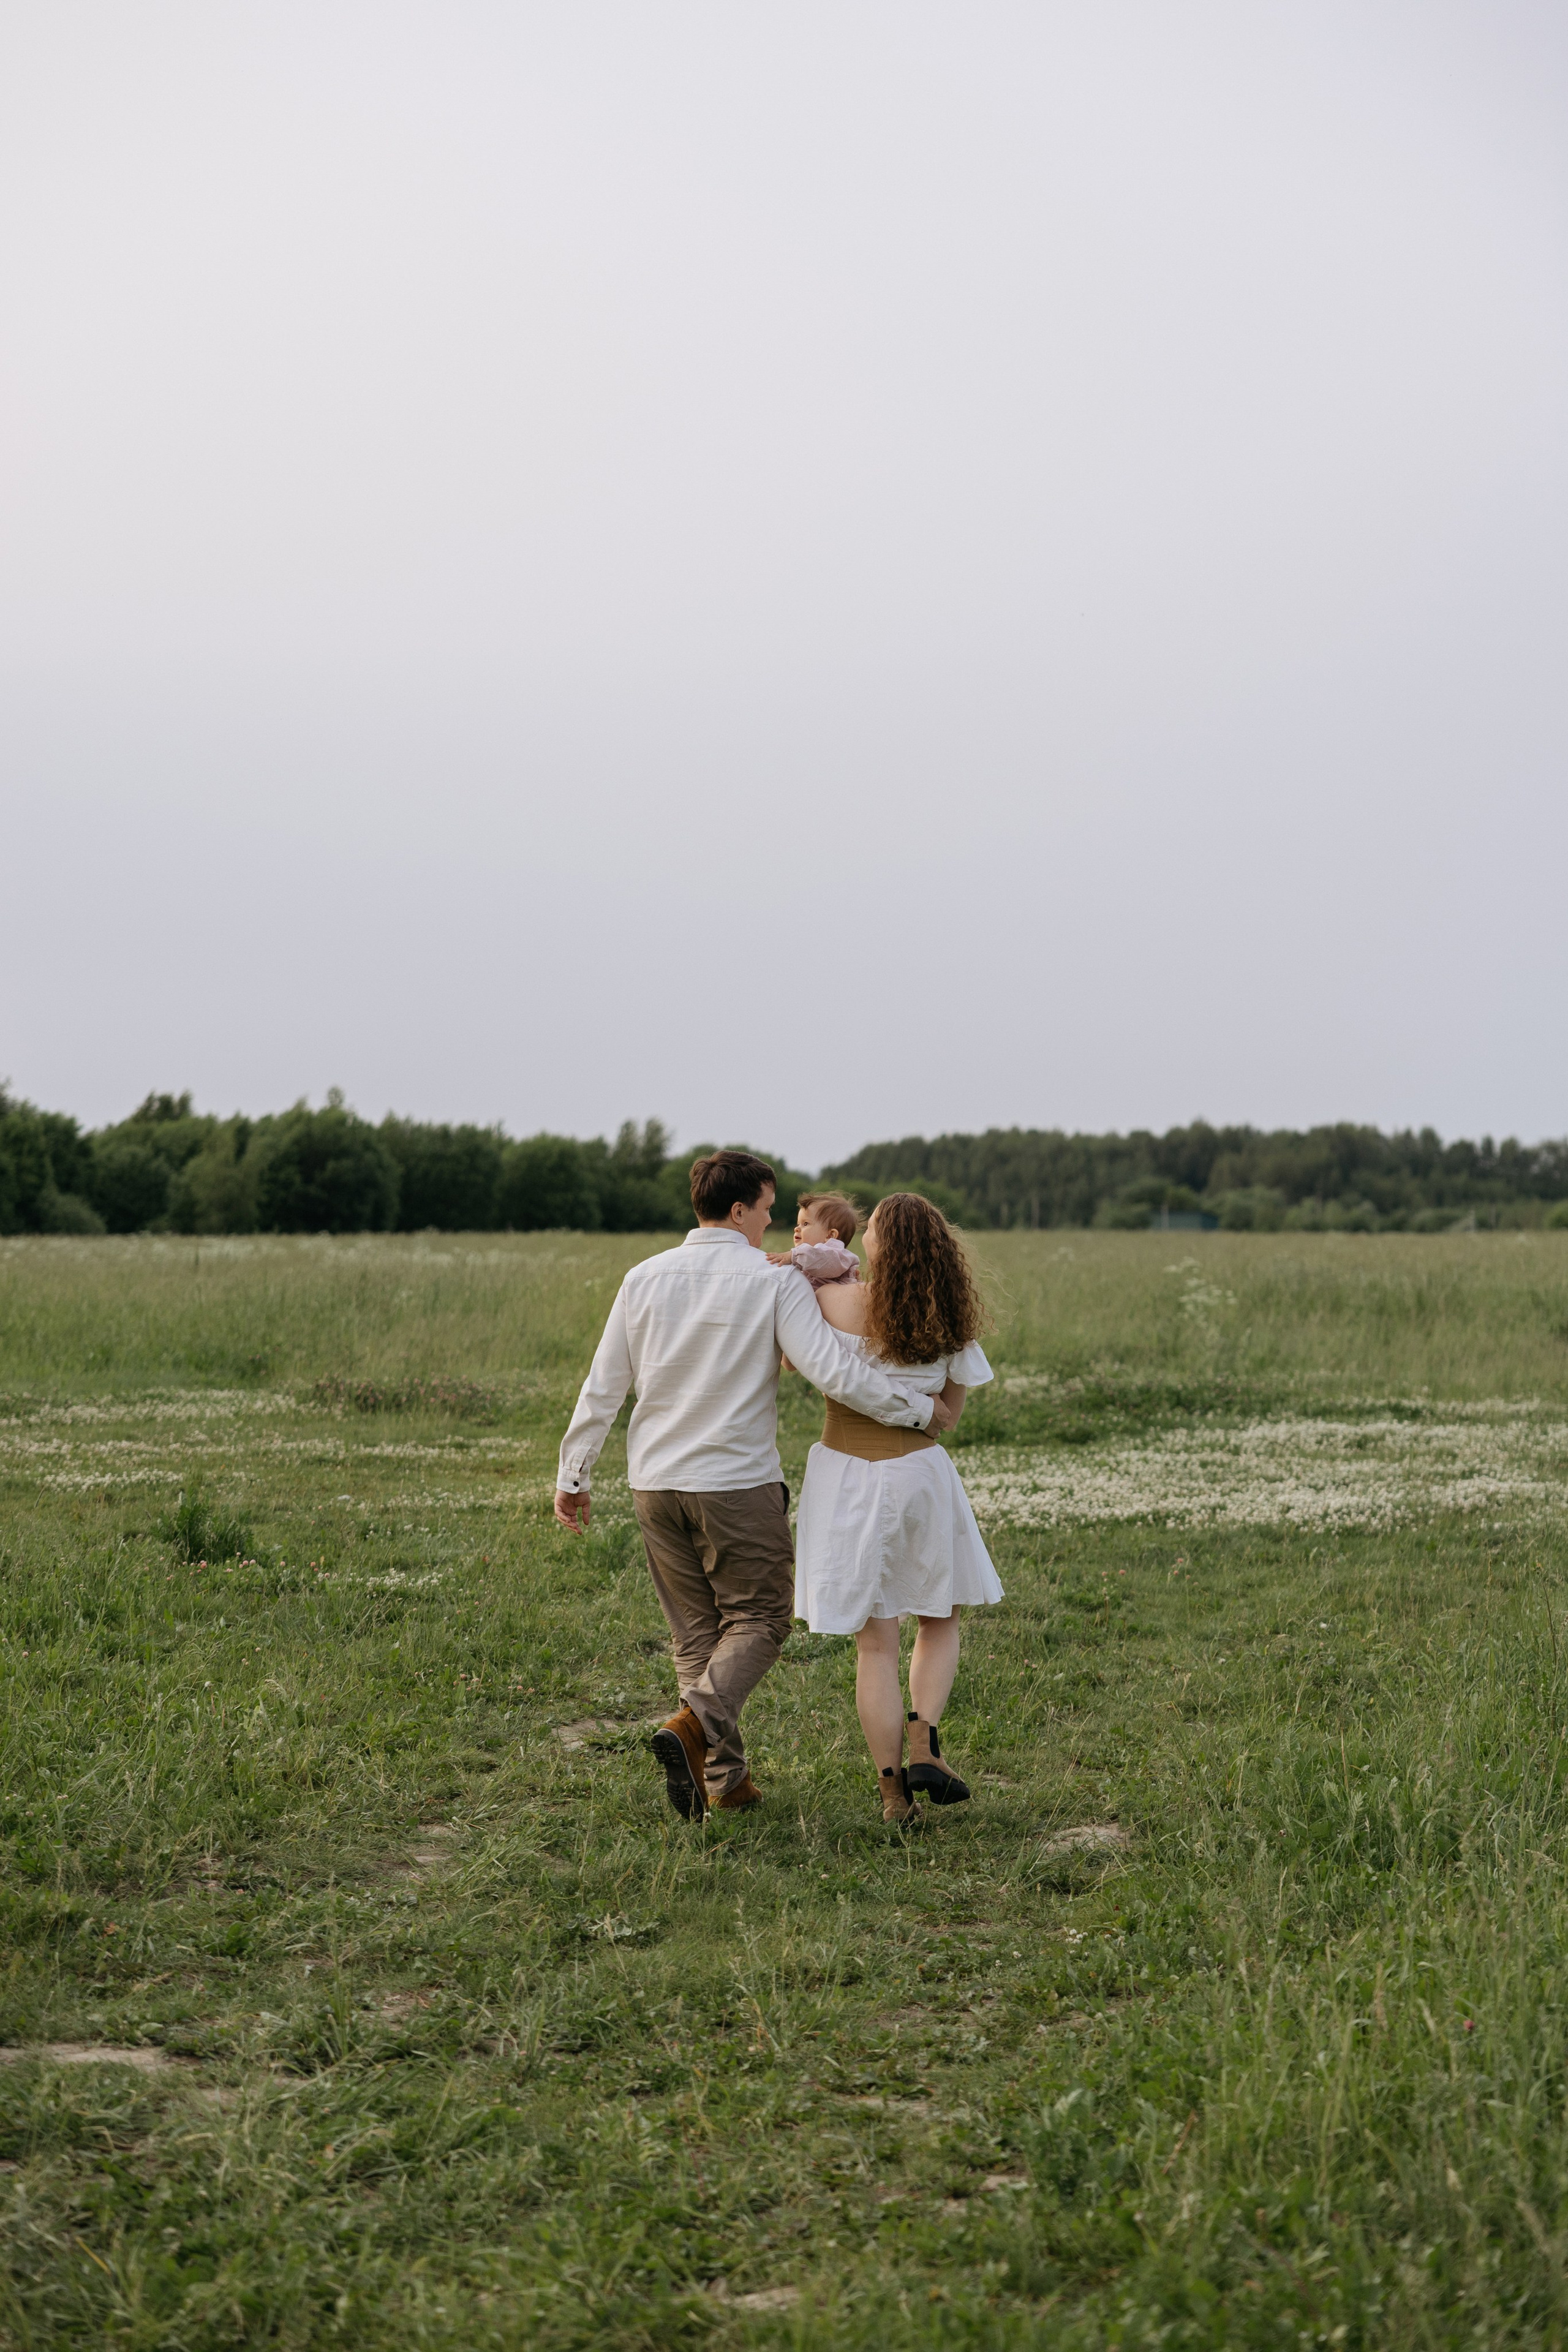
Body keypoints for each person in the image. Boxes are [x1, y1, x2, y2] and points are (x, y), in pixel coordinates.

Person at [554, 1152, 952, 1823]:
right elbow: (833, 1372)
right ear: (739, 1210)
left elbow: (604, 1384)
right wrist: (919, 1412)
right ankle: (692, 1727)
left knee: (695, 1635)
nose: (774, 1224)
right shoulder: (772, 1280)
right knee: (763, 1619)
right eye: (768, 1210)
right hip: (735, 1482)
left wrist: (574, 1474)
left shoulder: (642, 1276)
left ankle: (725, 1781)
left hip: (653, 1484)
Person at [792, 1192, 1003, 1826]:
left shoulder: (832, 1303)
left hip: (845, 1474)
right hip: (919, 1475)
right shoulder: (950, 1320)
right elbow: (948, 1418)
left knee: (876, 1645)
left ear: (879, 1245)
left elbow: (802, 1357)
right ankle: (925, 1741)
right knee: (939, 1616)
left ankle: (893, 1795)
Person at [767, 1191, 863, 1290]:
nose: (797, 1229)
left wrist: (793, 1256)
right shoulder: (808, 1261)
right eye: (798, 1224)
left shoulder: (837, 1257)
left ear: (830, 1235)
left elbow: (818, 1258)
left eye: (806, 1224)